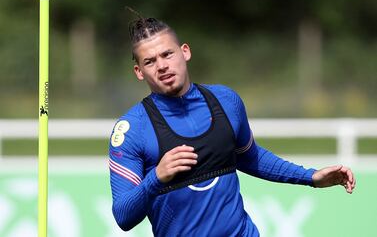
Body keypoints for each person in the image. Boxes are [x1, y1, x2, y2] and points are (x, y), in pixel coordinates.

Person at [108, 16, 356, 237]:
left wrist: (311, 177)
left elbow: (250, 157)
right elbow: (123, 216)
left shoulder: (226, 101)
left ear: (185, 52)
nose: (162, 66)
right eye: (150, 62)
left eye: (167, 54)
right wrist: (156, 178)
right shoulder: (132, 129)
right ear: (139, 72)